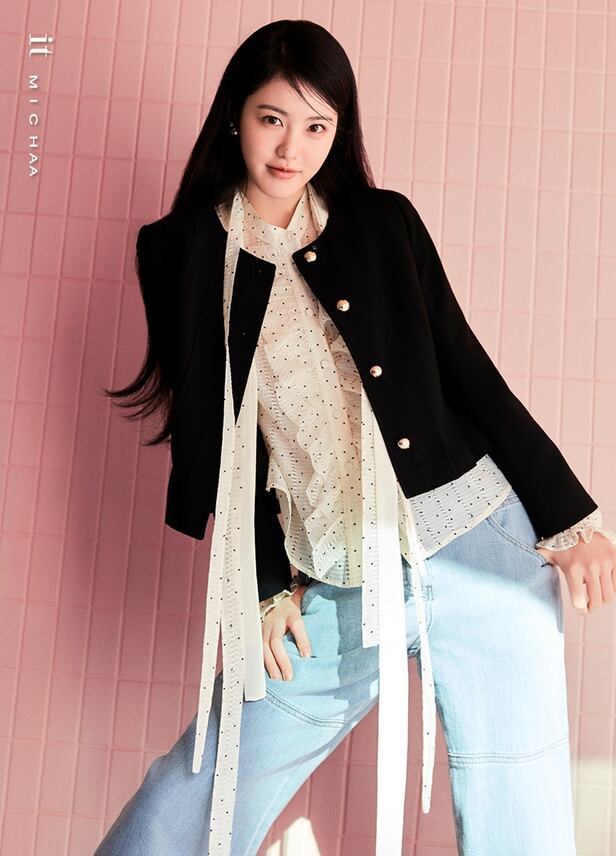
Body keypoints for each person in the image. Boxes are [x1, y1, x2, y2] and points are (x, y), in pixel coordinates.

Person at [95, 18, 616, 856]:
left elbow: (467, 372)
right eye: (272, 118)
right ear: (234, 115)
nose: (290, 148)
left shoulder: (382, 224)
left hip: (480, 547)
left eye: (317, 126)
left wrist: (568, 521)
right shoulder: (180, 252)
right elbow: (221, 439)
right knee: (197, 789)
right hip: (337, 579)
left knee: (521, 821)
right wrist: (265, 586)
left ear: (339, 131)